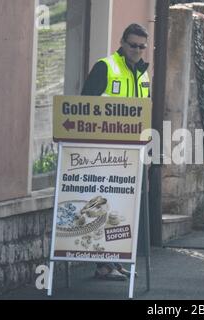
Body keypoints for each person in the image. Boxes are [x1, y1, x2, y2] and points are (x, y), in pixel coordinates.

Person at [81, 23, 150, 280]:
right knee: (102, 208)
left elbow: (145, 114)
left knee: (121, 209)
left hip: (131, 153)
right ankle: (101, 264)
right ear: (122, 42)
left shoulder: (142, 74)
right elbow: (84, 104)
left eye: (142, 47)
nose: (137, 50)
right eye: (132, 45)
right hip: (103, 151)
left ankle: (113, 260)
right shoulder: (106, 66)